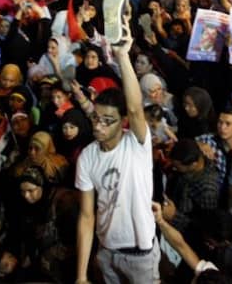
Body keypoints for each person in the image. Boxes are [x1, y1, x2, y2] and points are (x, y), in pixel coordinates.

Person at [75, 32, 160, 284]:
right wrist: (81, 275)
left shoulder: (136, 144)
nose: (99, 126)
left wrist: (122, 56)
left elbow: (135, 108)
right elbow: (87, 215)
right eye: (96, 118)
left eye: (107, 120)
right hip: (106, 251)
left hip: (140, 254)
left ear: (121, 122)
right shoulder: (88, 157)